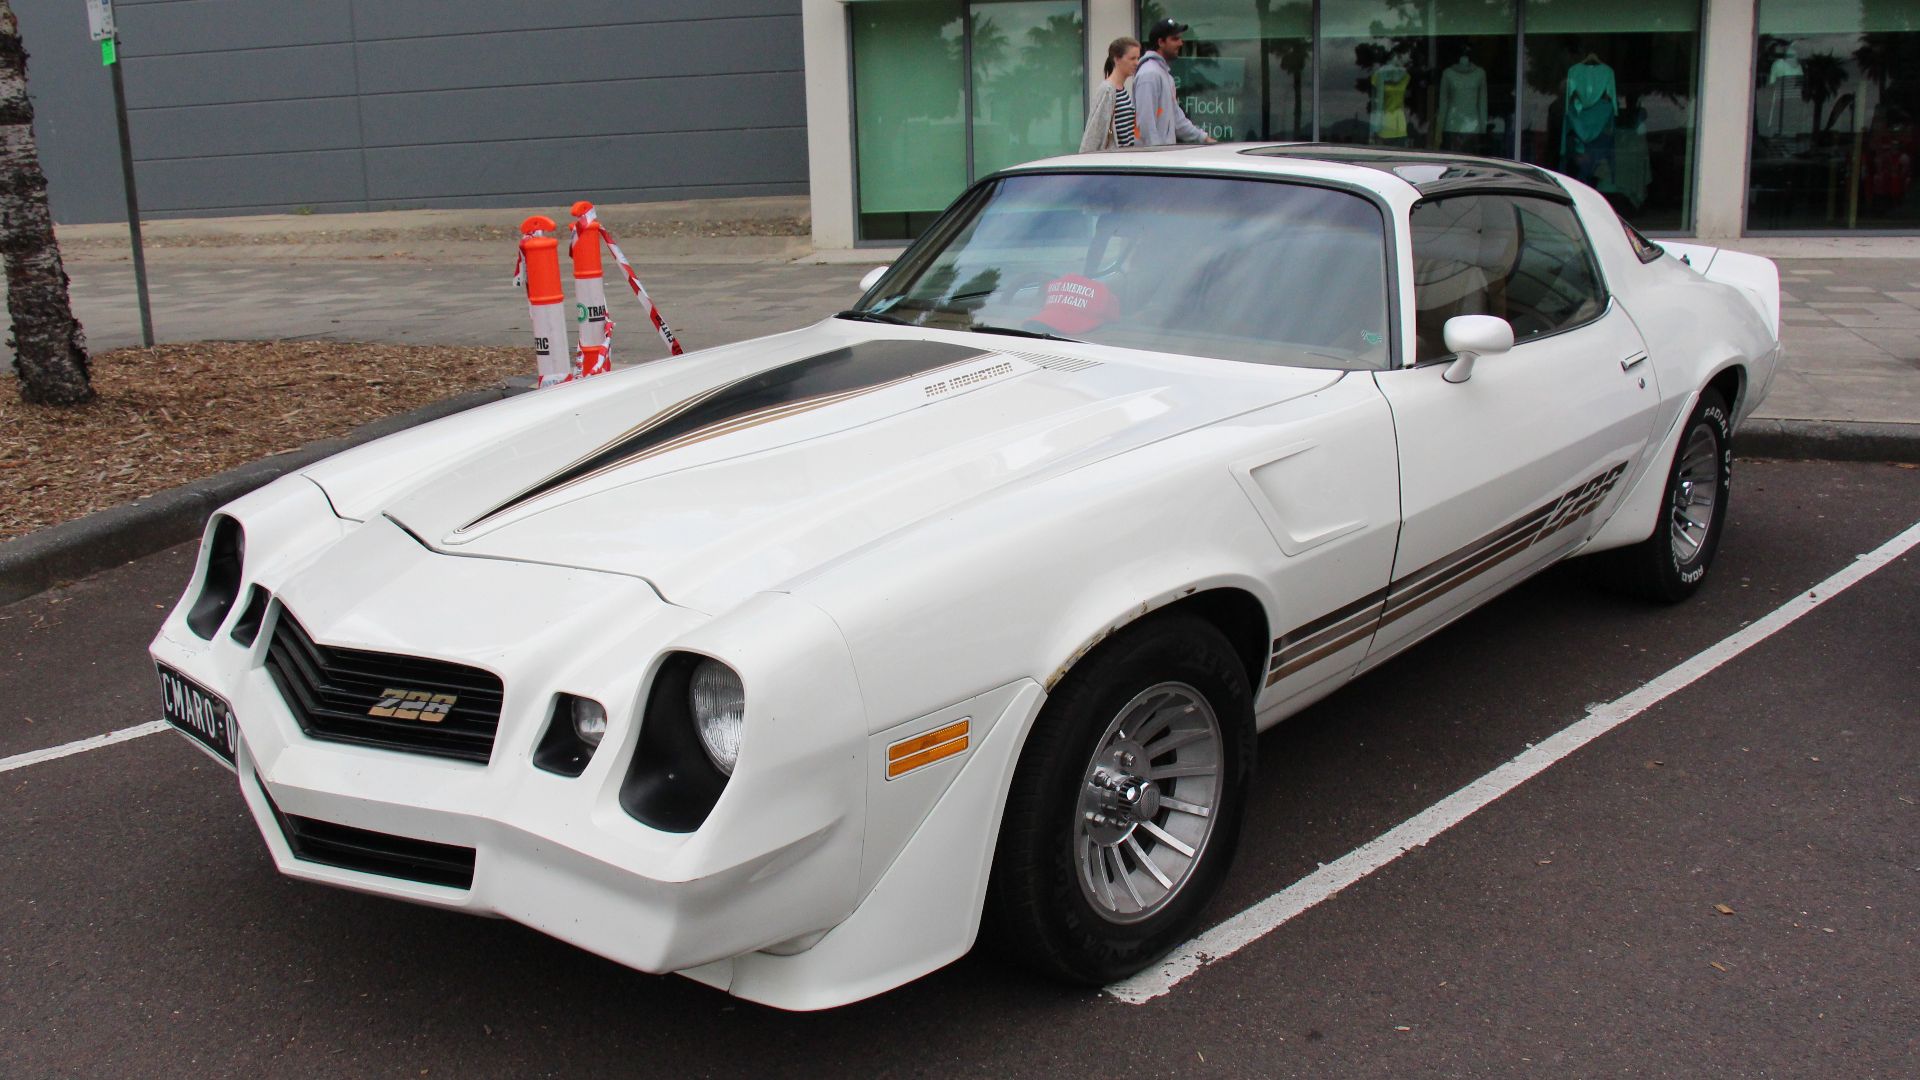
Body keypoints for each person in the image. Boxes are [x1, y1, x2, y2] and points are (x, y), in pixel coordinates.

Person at [1133, 17, 1215, 146]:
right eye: (1175, 39)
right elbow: (1145, 123)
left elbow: (1177, 119)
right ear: (1161, 42)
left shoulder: (1164, 75)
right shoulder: (1149, 74)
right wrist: (1156, 154)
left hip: (1163, 154)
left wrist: (1203, 138)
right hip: (1153, 156)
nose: (1181, 43)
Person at [1080, 37, 1143, 152]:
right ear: (1117, 59)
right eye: (1132, 58)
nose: (1136, 63)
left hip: (1127, 157)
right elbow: (1094, 132)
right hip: (1114, 159)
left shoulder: (1122, 90)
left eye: (1138, 58)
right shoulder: (1108, 90)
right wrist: (1085, 158)